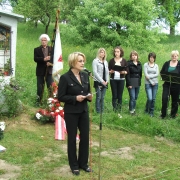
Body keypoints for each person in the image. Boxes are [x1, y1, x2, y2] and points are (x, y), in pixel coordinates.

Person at [58, 52, 93, 176]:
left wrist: (89, 97)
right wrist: (74, 98)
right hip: (71, 112)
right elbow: (60, 96)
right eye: (80, 61)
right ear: (73, 62)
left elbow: (87, 91)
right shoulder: (65, 78)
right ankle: (74, 165)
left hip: (83, 111)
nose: (83, 63)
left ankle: (83, 163)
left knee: (85, 138)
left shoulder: (84, 75)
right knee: (72, 139)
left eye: (83, 61)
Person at [34, 34, 53, 106]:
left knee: (50, 86)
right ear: (40, 41)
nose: (43, 41)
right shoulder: (36, 49)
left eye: (45, 40)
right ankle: (38, 101)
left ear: (47, 41)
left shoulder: (51, 49)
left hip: (49, 71)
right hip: (40, 71)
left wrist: (50, 62)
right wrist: (44, 59)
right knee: (39, 87)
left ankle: (51, 102)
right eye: (42, 40)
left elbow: (55, 58)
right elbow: (35, 59)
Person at [160, 50, 180, 119]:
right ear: (171, 56)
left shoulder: (179, 64)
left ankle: (173, 115)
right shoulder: (166, 63)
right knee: (164, 98)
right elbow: (162, 72)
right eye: (172, 56)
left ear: (178, 56)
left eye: (175, 56)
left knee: (175, 100)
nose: (174, 57)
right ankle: (163, 114)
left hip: (176, 85)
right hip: (167, 84)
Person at [108, 46, 128, 116]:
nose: (116, 53)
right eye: (115, 51)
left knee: (120, 95)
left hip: (121, 79)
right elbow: (108, 71)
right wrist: (111, 71)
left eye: (118, 52)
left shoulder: (124, 61)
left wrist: (123, 72)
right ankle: (114, 110)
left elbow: (127, 71)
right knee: (114, 95)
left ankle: (119, 109)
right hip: (113, 79)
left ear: (121, 52)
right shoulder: (111, 61)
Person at [92, 48, 109, 113]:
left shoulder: (105, 62)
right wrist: (101, 81)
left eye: (103, 52)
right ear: (99, 53)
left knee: (103, 97)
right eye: (101, 52)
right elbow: (95, 72)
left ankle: (102, 110)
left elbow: (107, 72)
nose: (102, 54)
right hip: (98, 81)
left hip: (105, 81)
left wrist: (107, 80)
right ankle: (98, 111)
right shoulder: (95, 61)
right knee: (98, 96)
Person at [126, 51, 142, 115]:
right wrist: (129, 84)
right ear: (131, 56)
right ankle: (131, 111)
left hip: (137, 81)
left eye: (135, 55)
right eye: (132, 55)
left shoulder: (139, 64)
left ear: (137, 56)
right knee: (132, 97)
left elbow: (140, 74)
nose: (134, 56)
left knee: (135, 97)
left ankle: (134, 109)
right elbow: (127, 75)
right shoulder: (128, 64)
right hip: (131, 81)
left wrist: (139, 81)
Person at [144, 52, 159, 117]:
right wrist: (151, 81)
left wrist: (149, 76)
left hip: (155, 84)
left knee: (153, 99)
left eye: (153, 57)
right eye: (150, 57)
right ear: (149, 58)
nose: (152, 59)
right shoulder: (145, 65)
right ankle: (147, 109)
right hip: (148, 83)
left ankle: (151, 111)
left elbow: (157, 74)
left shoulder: (156, 65)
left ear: (154, 58)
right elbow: (146, 75)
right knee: (149, 98)